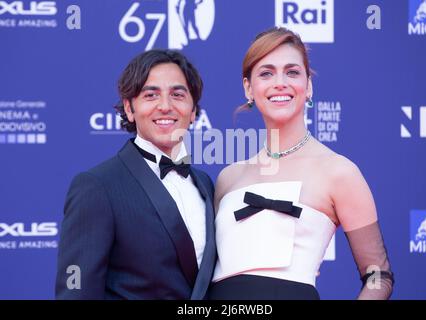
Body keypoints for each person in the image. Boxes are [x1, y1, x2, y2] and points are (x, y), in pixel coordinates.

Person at [208, 27, 394, 300]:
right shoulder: (228, 178)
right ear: (249, 87)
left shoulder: (339, 172)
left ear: (308, 86)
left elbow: (379, 276)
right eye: (266, 73)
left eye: (292, 72)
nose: (280, 82)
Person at [55, 49, 216, 299]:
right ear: (129, 108)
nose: (165, 106)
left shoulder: (205, 185)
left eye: (177, 94)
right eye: (151, 95)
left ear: (193, 110)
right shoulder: (97, 187)